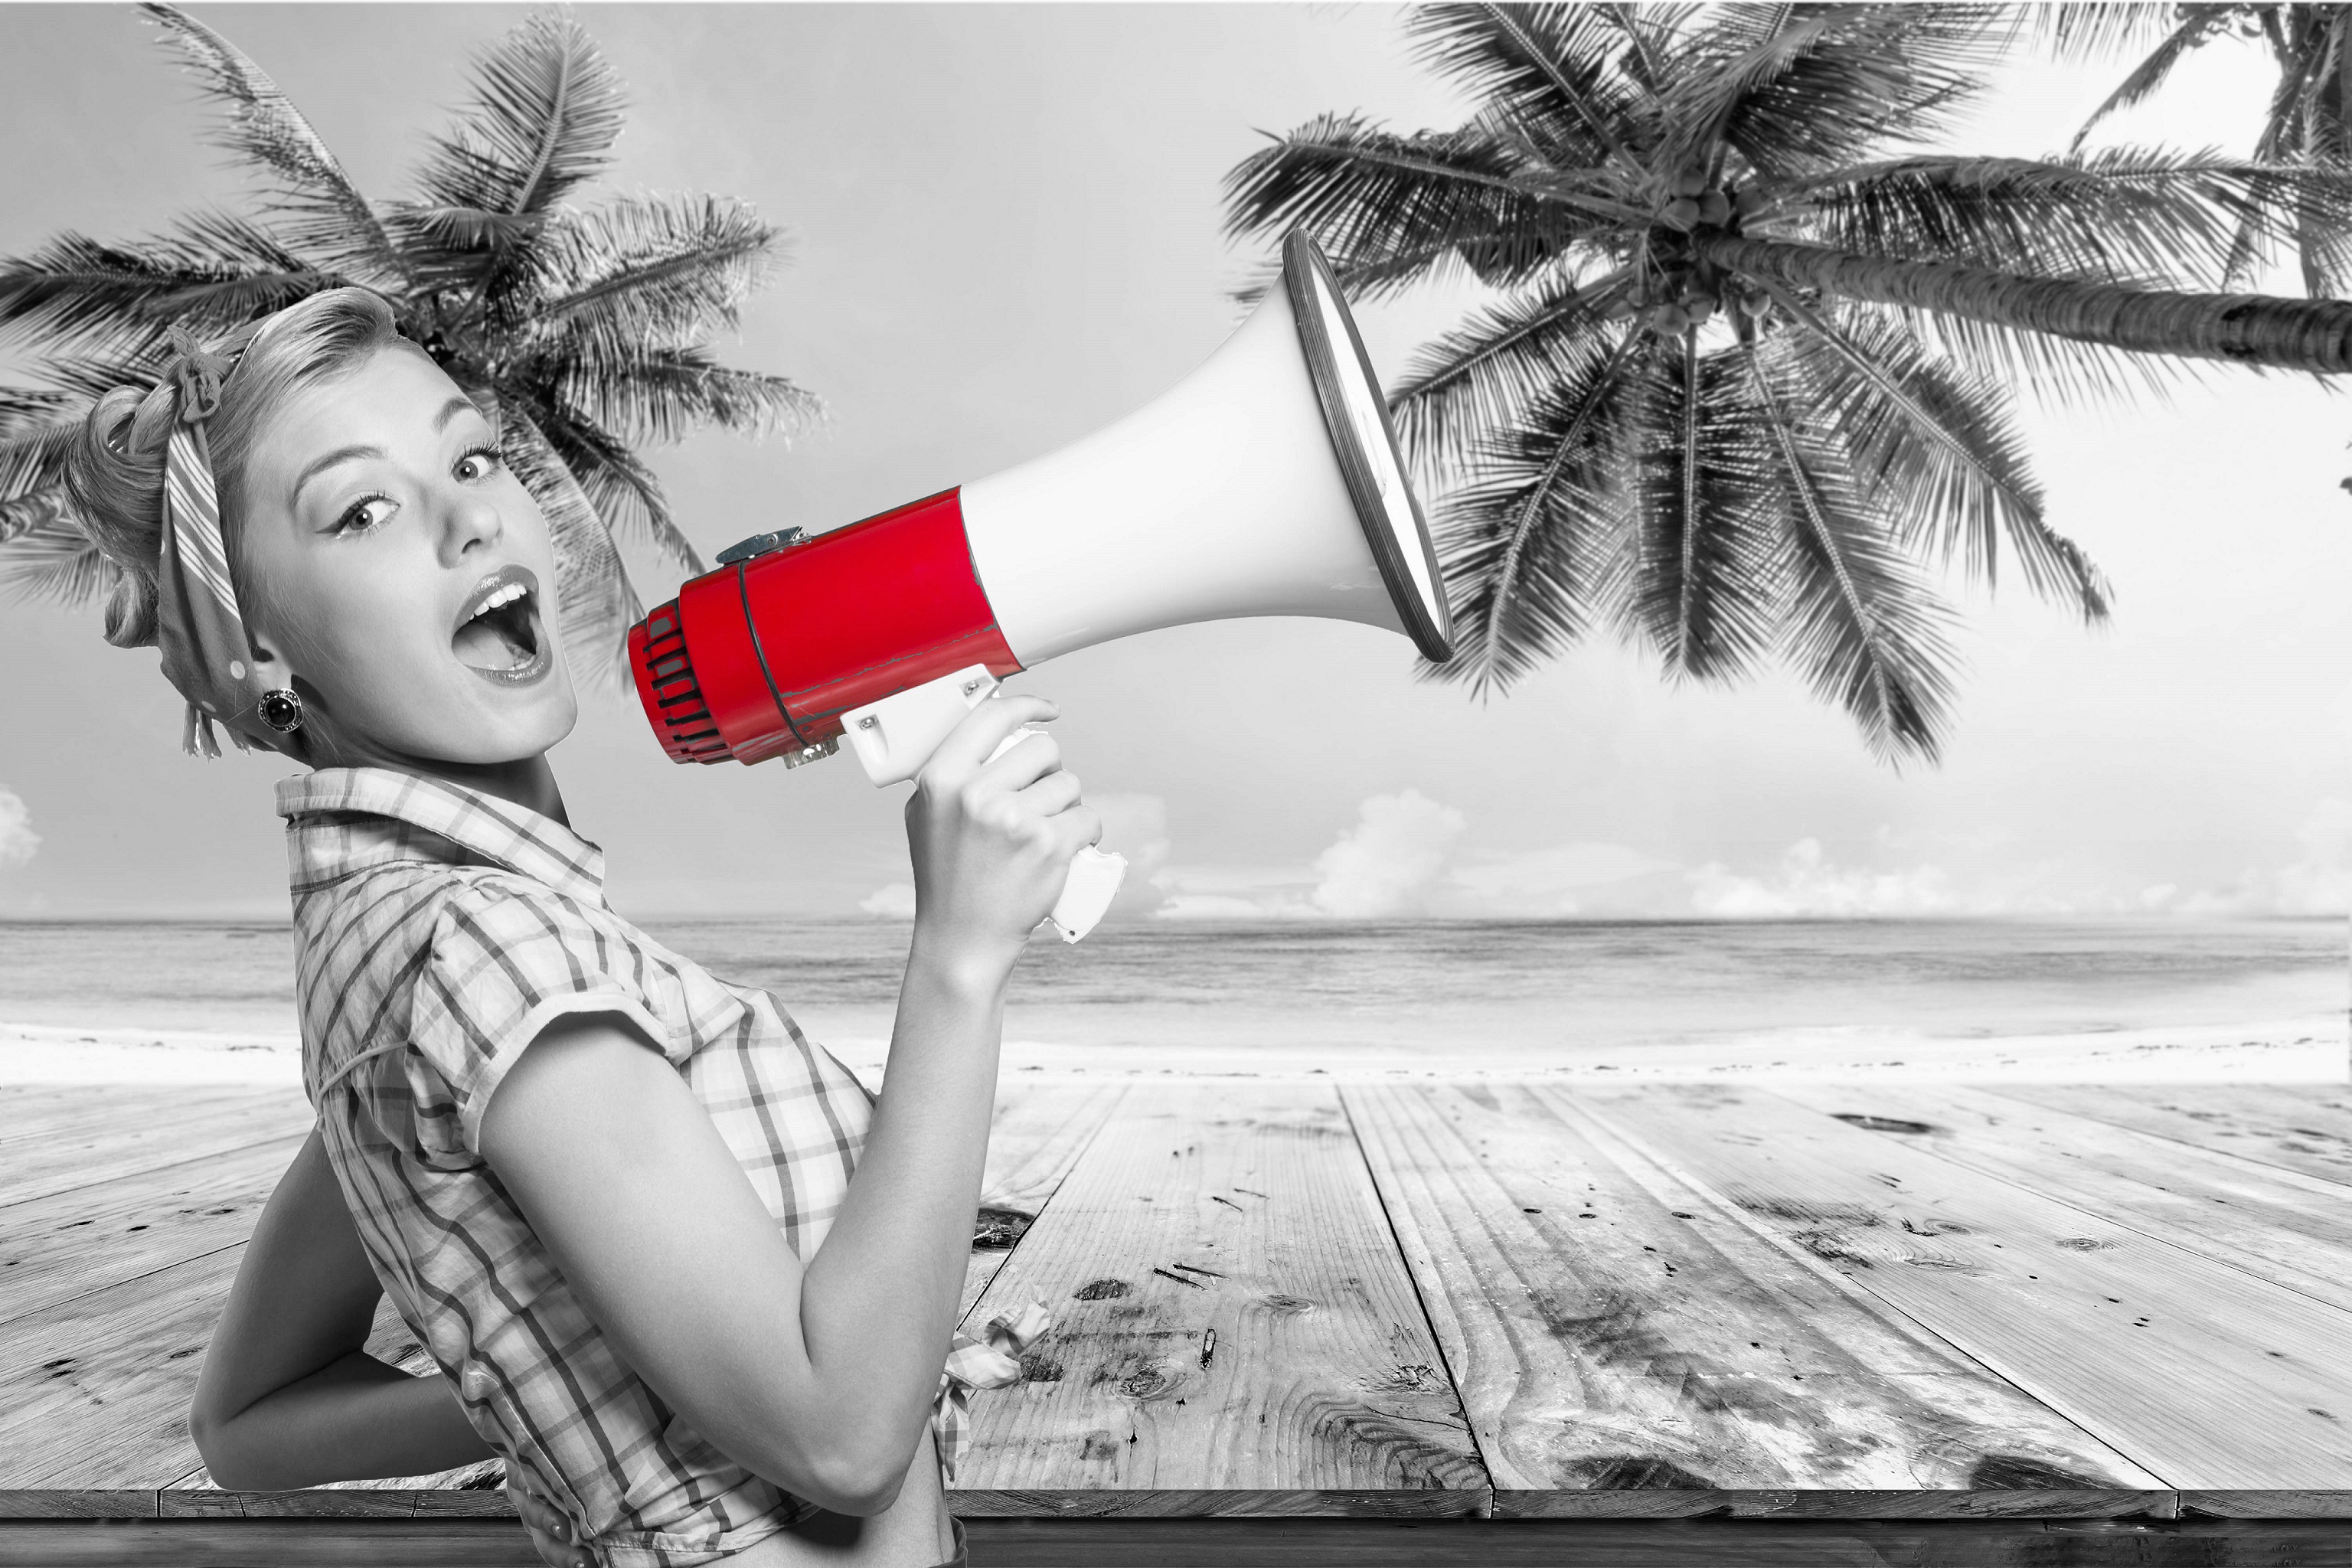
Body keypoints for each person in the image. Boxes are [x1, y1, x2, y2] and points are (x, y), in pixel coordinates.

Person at [64, 286, 1096, 1567]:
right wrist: (962, 955)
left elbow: (253, 1422)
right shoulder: (491, 956)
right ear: (257, 662)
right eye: (363, 509)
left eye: (471, 455)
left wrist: (595, 1386)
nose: (470, 514)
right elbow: (842, 1438)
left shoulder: (389, 951)